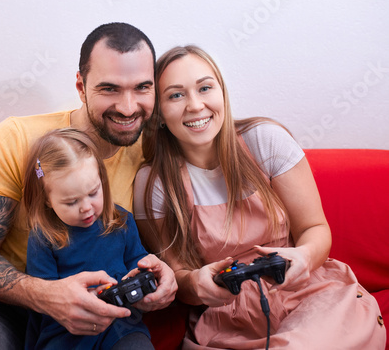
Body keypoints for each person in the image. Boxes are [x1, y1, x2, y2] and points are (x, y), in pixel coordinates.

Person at [0, 22, 177, 349]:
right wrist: (47, 294)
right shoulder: (17, 139)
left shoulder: (151, 148)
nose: (127, 106)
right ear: (81, 86)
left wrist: (165, 276)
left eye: (141, 87)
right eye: (109, 89)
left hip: (106, 310)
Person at [133, 45, 386, 349]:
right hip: (229, 321)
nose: (196, 105)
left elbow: (314, 229)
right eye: (176, 95)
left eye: (205, 88)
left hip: (308, 296)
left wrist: (304, 257)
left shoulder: (265, 141)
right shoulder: (154, 182)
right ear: (158, 114)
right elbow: (177, 276)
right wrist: (195, 285)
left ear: (222, 93)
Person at [24, 128, 155, 349]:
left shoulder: (121, 220)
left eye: (93, 192)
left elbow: (137, 261)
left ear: (102, 181)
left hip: (121, 326)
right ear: (46, 200)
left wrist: (145, 273)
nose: (86, 208)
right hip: (67, 333)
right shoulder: (43, 238)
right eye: (71, 202)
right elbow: (44, 295)